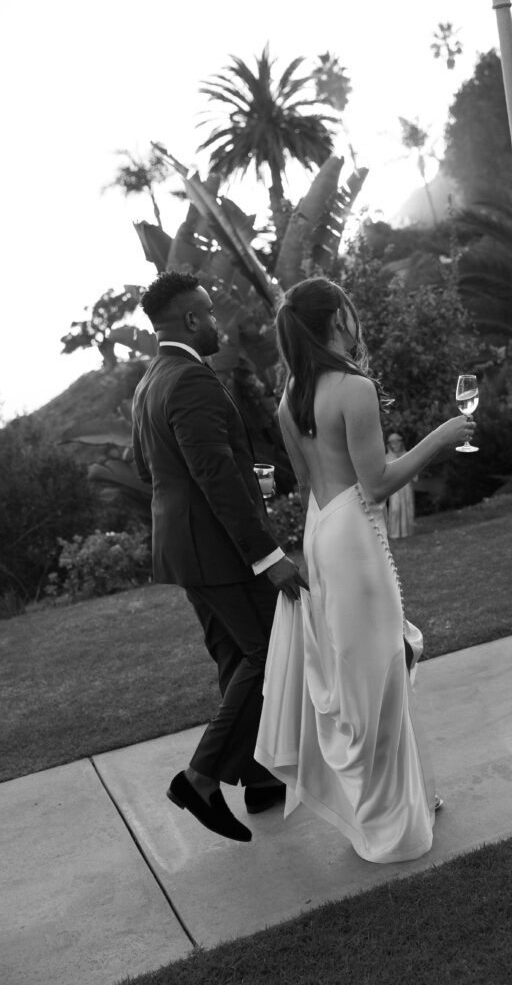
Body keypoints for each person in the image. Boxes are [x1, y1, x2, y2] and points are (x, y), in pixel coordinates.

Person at [254, 276, 475, 863]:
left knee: (364, 669)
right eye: (349, 313)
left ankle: (409, 796)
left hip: (322, 531)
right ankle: (392, 828)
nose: (355, 323)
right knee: (380, 671)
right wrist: (442, 436)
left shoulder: (291, 397)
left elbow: (310, 481)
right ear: (337, 321)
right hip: (353, 532)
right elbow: (375, 483)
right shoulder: (353, 387)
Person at [131, 271, 307, 844]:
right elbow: (212, 476)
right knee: (270, 655)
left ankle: (259, 780)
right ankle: (200, 777)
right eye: (208, 312)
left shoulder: (150, 382)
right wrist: (268, 556)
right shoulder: (191, 381)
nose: (217, 322)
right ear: (188, 320)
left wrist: (245, 478)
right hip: (222, 552)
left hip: (186, 551)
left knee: (236, 659)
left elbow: (155, 472)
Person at [385, 432, 416, 538]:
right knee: (395, 508)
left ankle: (407, 532)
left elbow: (414, 470)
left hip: (406, 485)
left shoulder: (407, 454)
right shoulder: (387, 458)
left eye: (397, 442)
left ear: (401, 442)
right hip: (394, 487)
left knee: (407, 506)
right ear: (389, 444)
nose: (395, 445)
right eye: (392, 443)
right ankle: (394, 533)